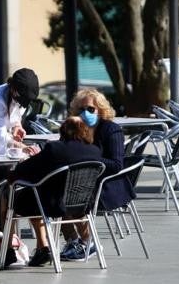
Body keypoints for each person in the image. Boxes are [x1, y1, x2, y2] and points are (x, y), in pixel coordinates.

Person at [7, 116, 102, 267]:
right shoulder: (95, 151)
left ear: (63, 130)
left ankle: (14, 249)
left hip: (53, 204)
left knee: (16, 194)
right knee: (39, 192)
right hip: (82, 203)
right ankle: (43, 248)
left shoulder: (55, 148)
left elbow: (21, 172)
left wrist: (29, 159)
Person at [59, 88, 135, 261]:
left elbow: (116, 164)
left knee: (70, 195)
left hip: (107, 184)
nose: (85, 113)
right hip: (79, 181)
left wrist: (89, 163)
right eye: (80, 109)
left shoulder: (111, 129)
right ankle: (73, 241)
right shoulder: (74, 128)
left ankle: (88, 242)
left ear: (100, 110)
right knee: (52, 193)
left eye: (90, 109)